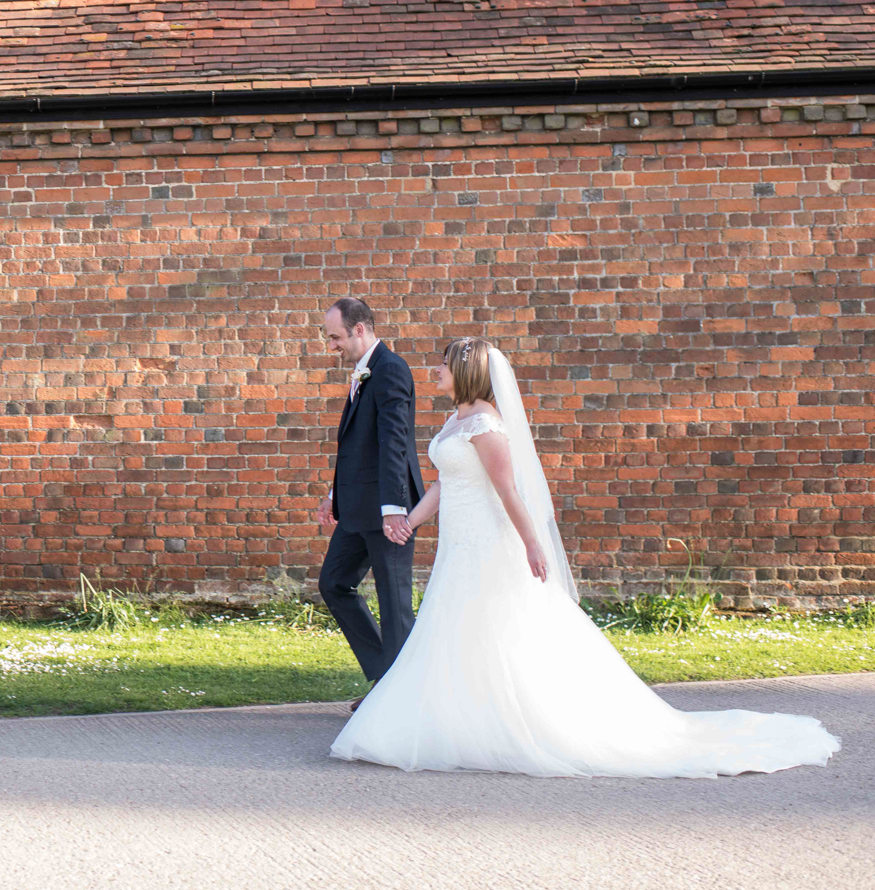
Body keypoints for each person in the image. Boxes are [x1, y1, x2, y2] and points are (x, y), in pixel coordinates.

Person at [331, 336, 840, 777]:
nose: (435, 371)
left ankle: (521, 722)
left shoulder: (486, 426)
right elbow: (447, 483)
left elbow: (509, 493)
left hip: (489, 544)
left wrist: (533, 543)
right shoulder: (455, 419)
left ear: (465, 372)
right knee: (454, 630)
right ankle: (461, 720)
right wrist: (411, 520)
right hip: (457, 546)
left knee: (498, 628)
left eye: (443, 364)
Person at [316, 298, 425, 708]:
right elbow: (356, 446)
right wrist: (334, 494)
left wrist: (394, 507)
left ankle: (400, 699)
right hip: (357, 506)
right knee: (333, 583)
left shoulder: (391, 369)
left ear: (359, 329)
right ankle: (387, 675)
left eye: (336, 336)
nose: (332, 345)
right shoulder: (363, 372)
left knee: (394, 601)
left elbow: (393, 442)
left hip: (387, 509)